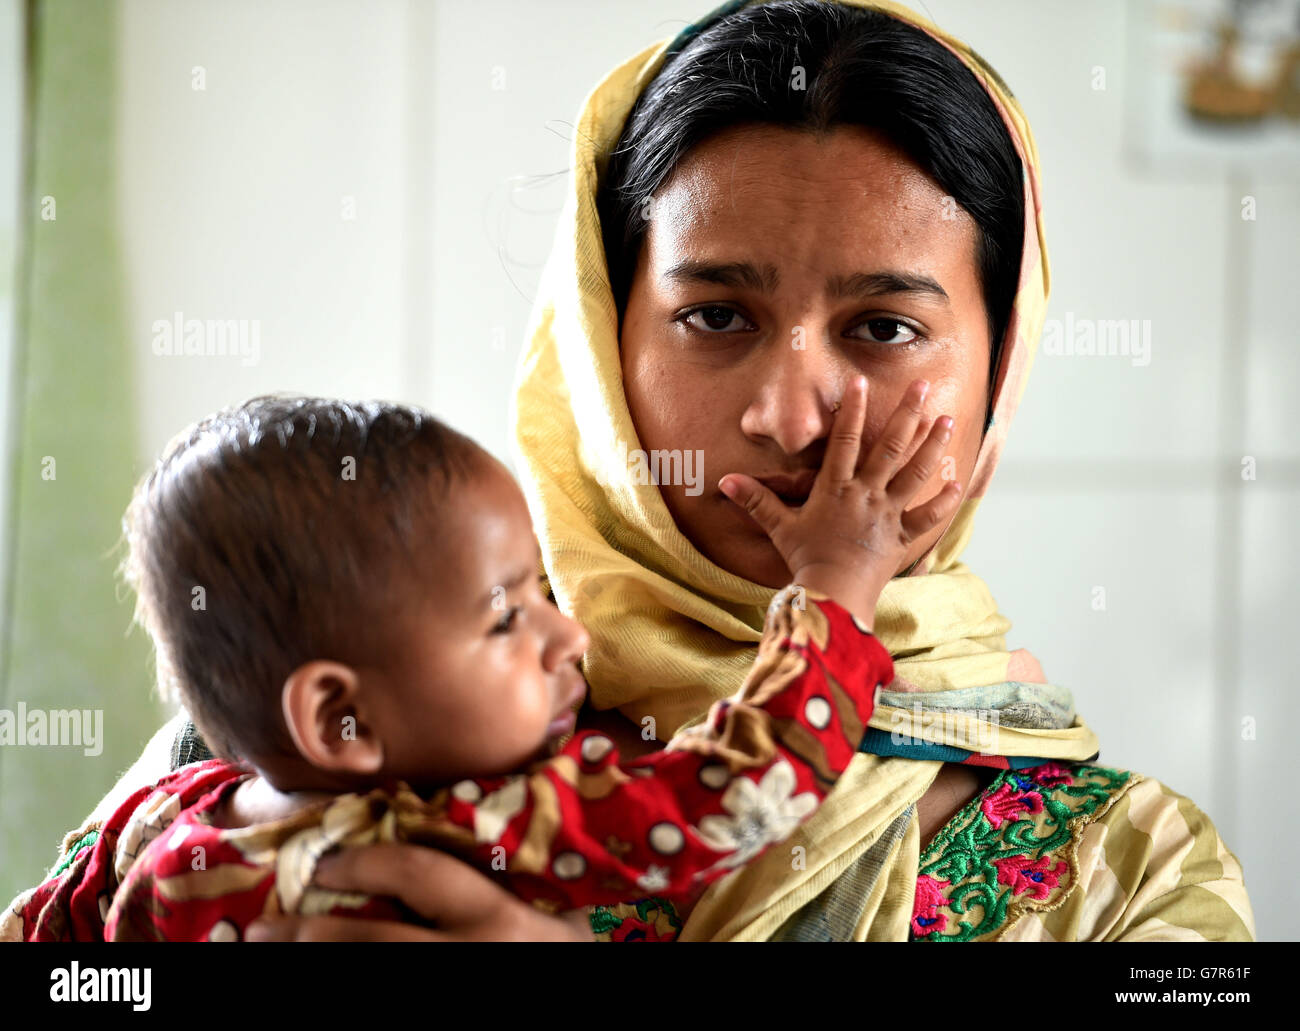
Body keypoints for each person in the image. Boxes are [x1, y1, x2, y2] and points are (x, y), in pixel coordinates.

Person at [9, 0, 1255, 942]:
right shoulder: (305, 727)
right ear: (606, 342)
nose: (785, 413)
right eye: (715, 314)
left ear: (1000, 365)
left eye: (882, 328)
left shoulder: (1128, 872)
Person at [5, 384, 957, 940]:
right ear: (341, 717)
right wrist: (836, 590)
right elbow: (735, 787)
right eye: (508, 617)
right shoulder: (476, 822)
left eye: (548, 591)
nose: (571, 635)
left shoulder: (159, 825)